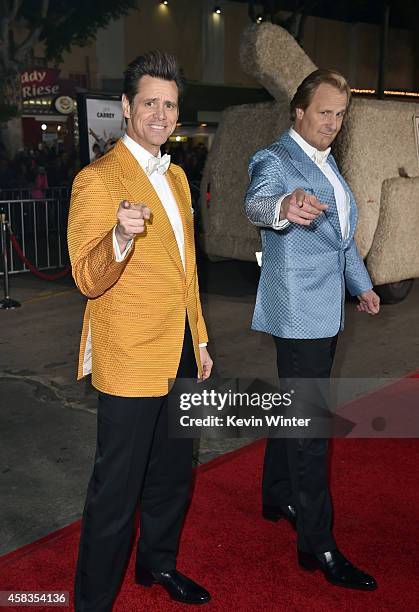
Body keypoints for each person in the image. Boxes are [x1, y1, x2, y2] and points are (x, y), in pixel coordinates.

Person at [68, 50, 213, 611]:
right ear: (126, 107)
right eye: (149, 102)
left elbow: (187, 268)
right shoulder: (97, 180)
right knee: (116, 491)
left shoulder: (176, 176)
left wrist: (198, 338)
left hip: (178, 347)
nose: (160, 113)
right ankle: (92, 601)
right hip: (127, 354)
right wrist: (120, 238)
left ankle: (159, 564)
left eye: (169, 104)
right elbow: (86, 277)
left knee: (174, 472)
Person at [244, 69, 380, 591]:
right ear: (298, 112)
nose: (333, 123)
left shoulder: (328, 164)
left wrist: (362, 285)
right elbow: (256, 203)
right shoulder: (275, 159)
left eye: (340, 114)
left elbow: (340, 240)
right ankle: (317, 544)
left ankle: (277, 492)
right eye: (324, 112)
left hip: (328, 309)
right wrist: (282, 207)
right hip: (298, 312)